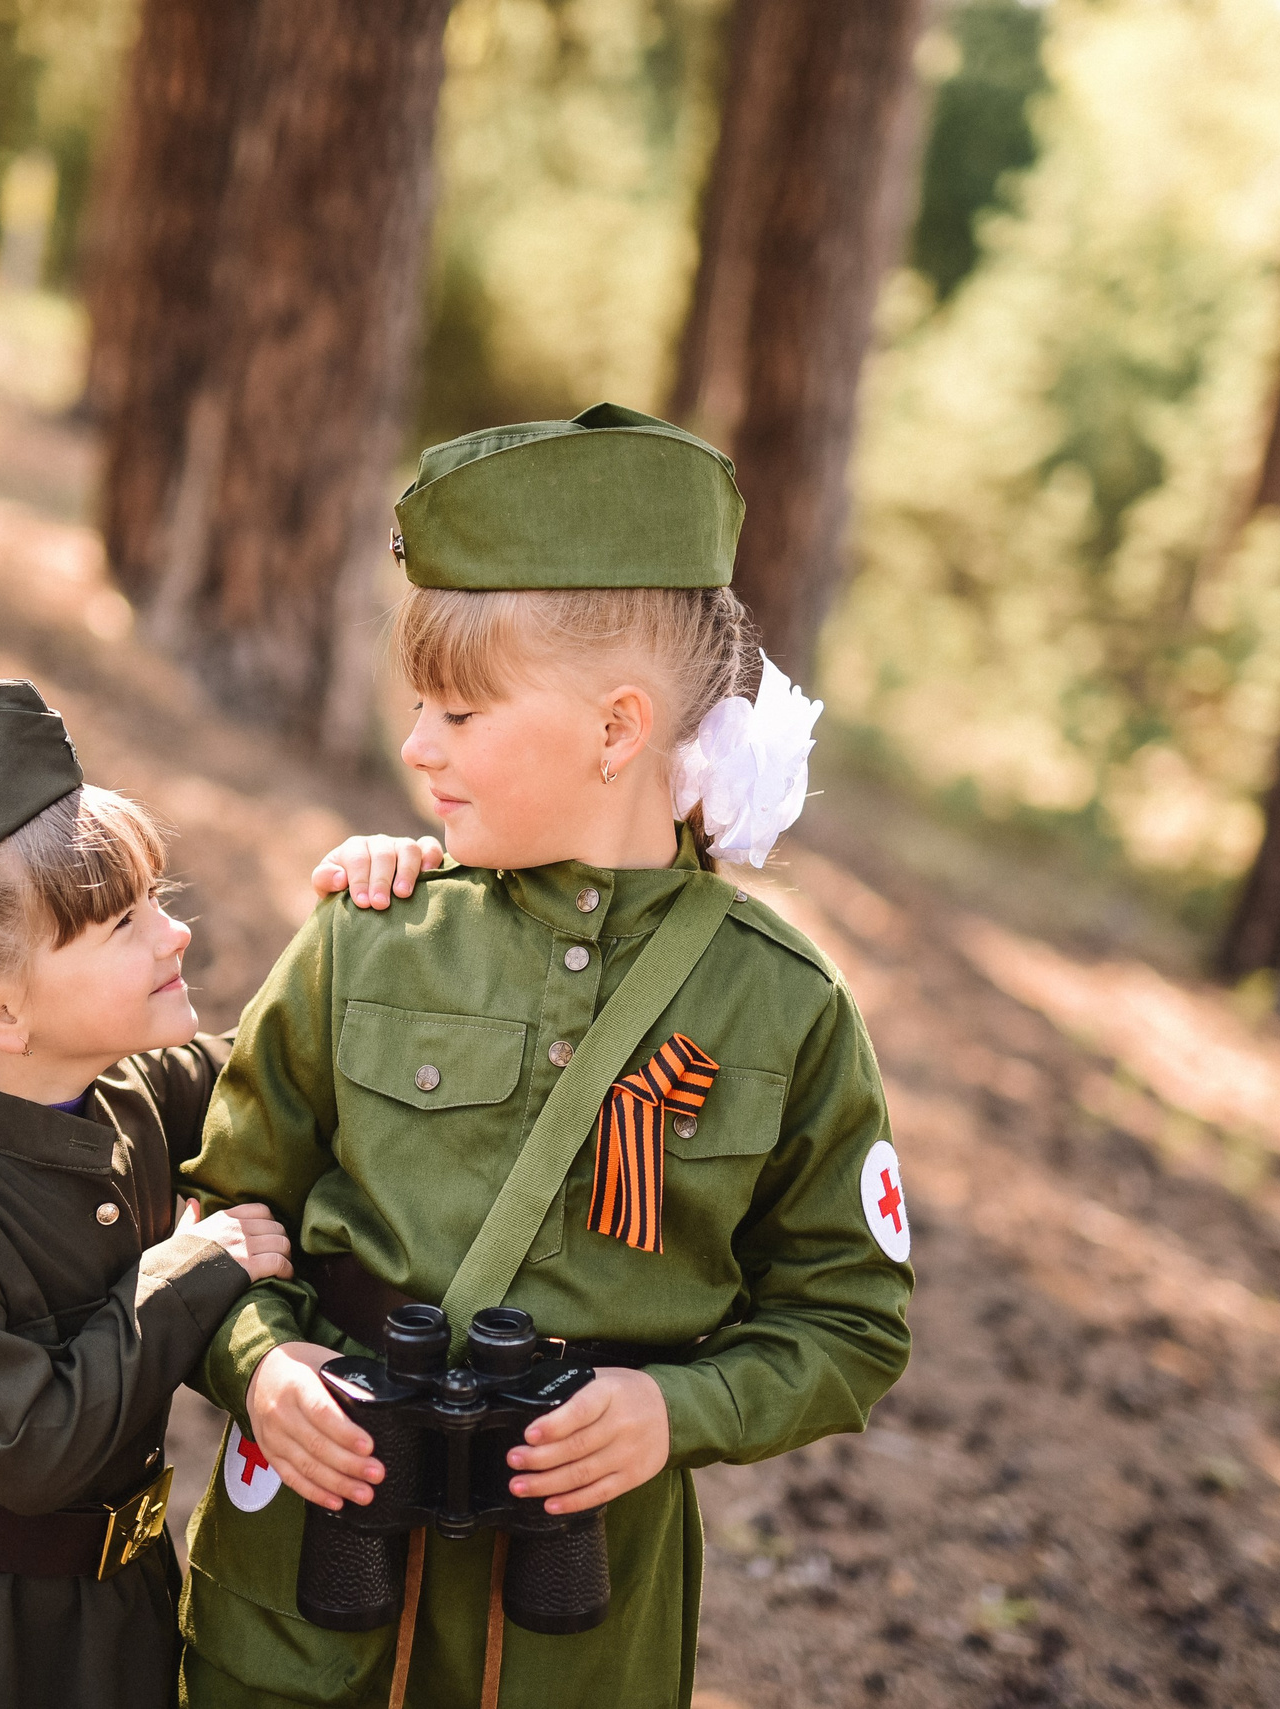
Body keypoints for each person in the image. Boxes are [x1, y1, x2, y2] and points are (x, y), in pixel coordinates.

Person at [177, 405, 916, 1709]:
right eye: (418, 708)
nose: (416, 748)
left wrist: (671, 1413)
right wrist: (262, 1361)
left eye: (459, 714)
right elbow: (220, 1208)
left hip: (574, 1618)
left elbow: (848, 1322)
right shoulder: (367, 940)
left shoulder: (782, 1010)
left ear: (617, 728)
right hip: (315, 1568)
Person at [0, 679, 441, 1709]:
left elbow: (299, 1077)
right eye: (124, 921)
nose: (176, 935)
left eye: (159, 900)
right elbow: (30, 1445)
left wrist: (380, 914)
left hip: (114, 1609)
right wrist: (188, 1270)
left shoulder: (141, 1089)